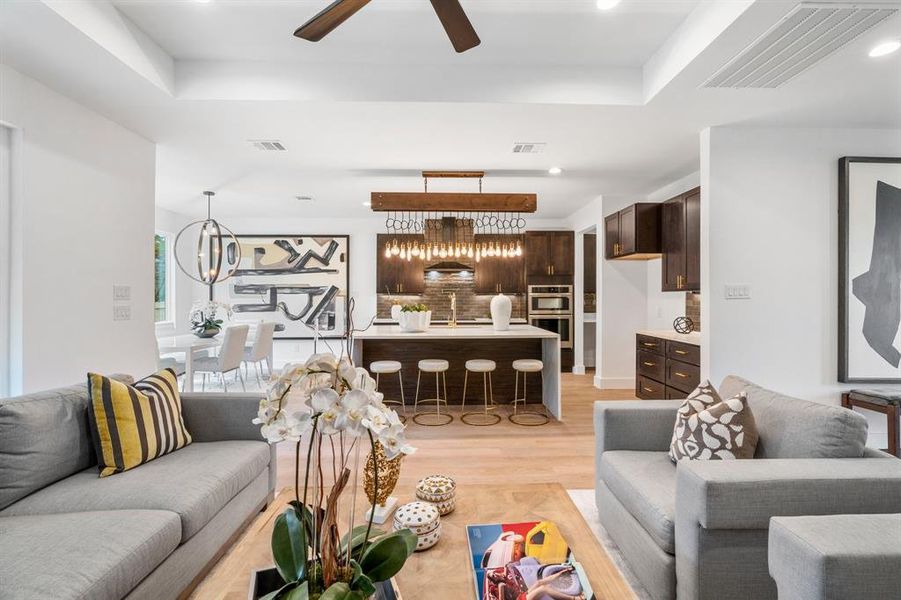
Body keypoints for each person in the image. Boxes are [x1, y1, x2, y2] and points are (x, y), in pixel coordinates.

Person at [496, 566, 585, 600]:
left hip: (521, 596)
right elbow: (501, 586)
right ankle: (574, 598)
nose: (496, 574)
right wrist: (499, 581)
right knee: (543, 589)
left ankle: (562, 572)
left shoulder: (501, 582)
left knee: (539, 582)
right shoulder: (499, 587)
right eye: (495, 576)